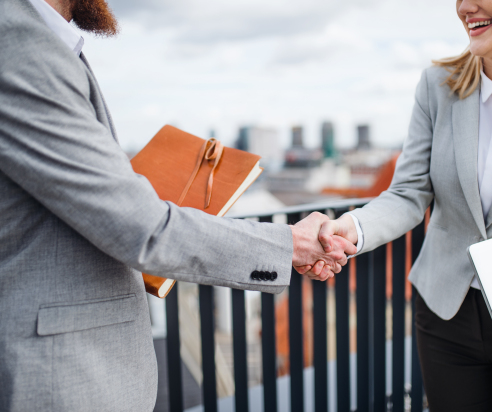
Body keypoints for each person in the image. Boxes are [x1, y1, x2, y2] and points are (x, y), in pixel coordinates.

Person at [0, 0, 354, 410]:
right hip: (58, 379)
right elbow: (140, 225)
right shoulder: (19, 40)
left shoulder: (44, 39)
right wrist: (290, 244)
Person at [305, 0, 492, 410]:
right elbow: (408, 193)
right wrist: (351, 228)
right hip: (446, 315)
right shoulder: (437, 86)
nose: (464, 6)